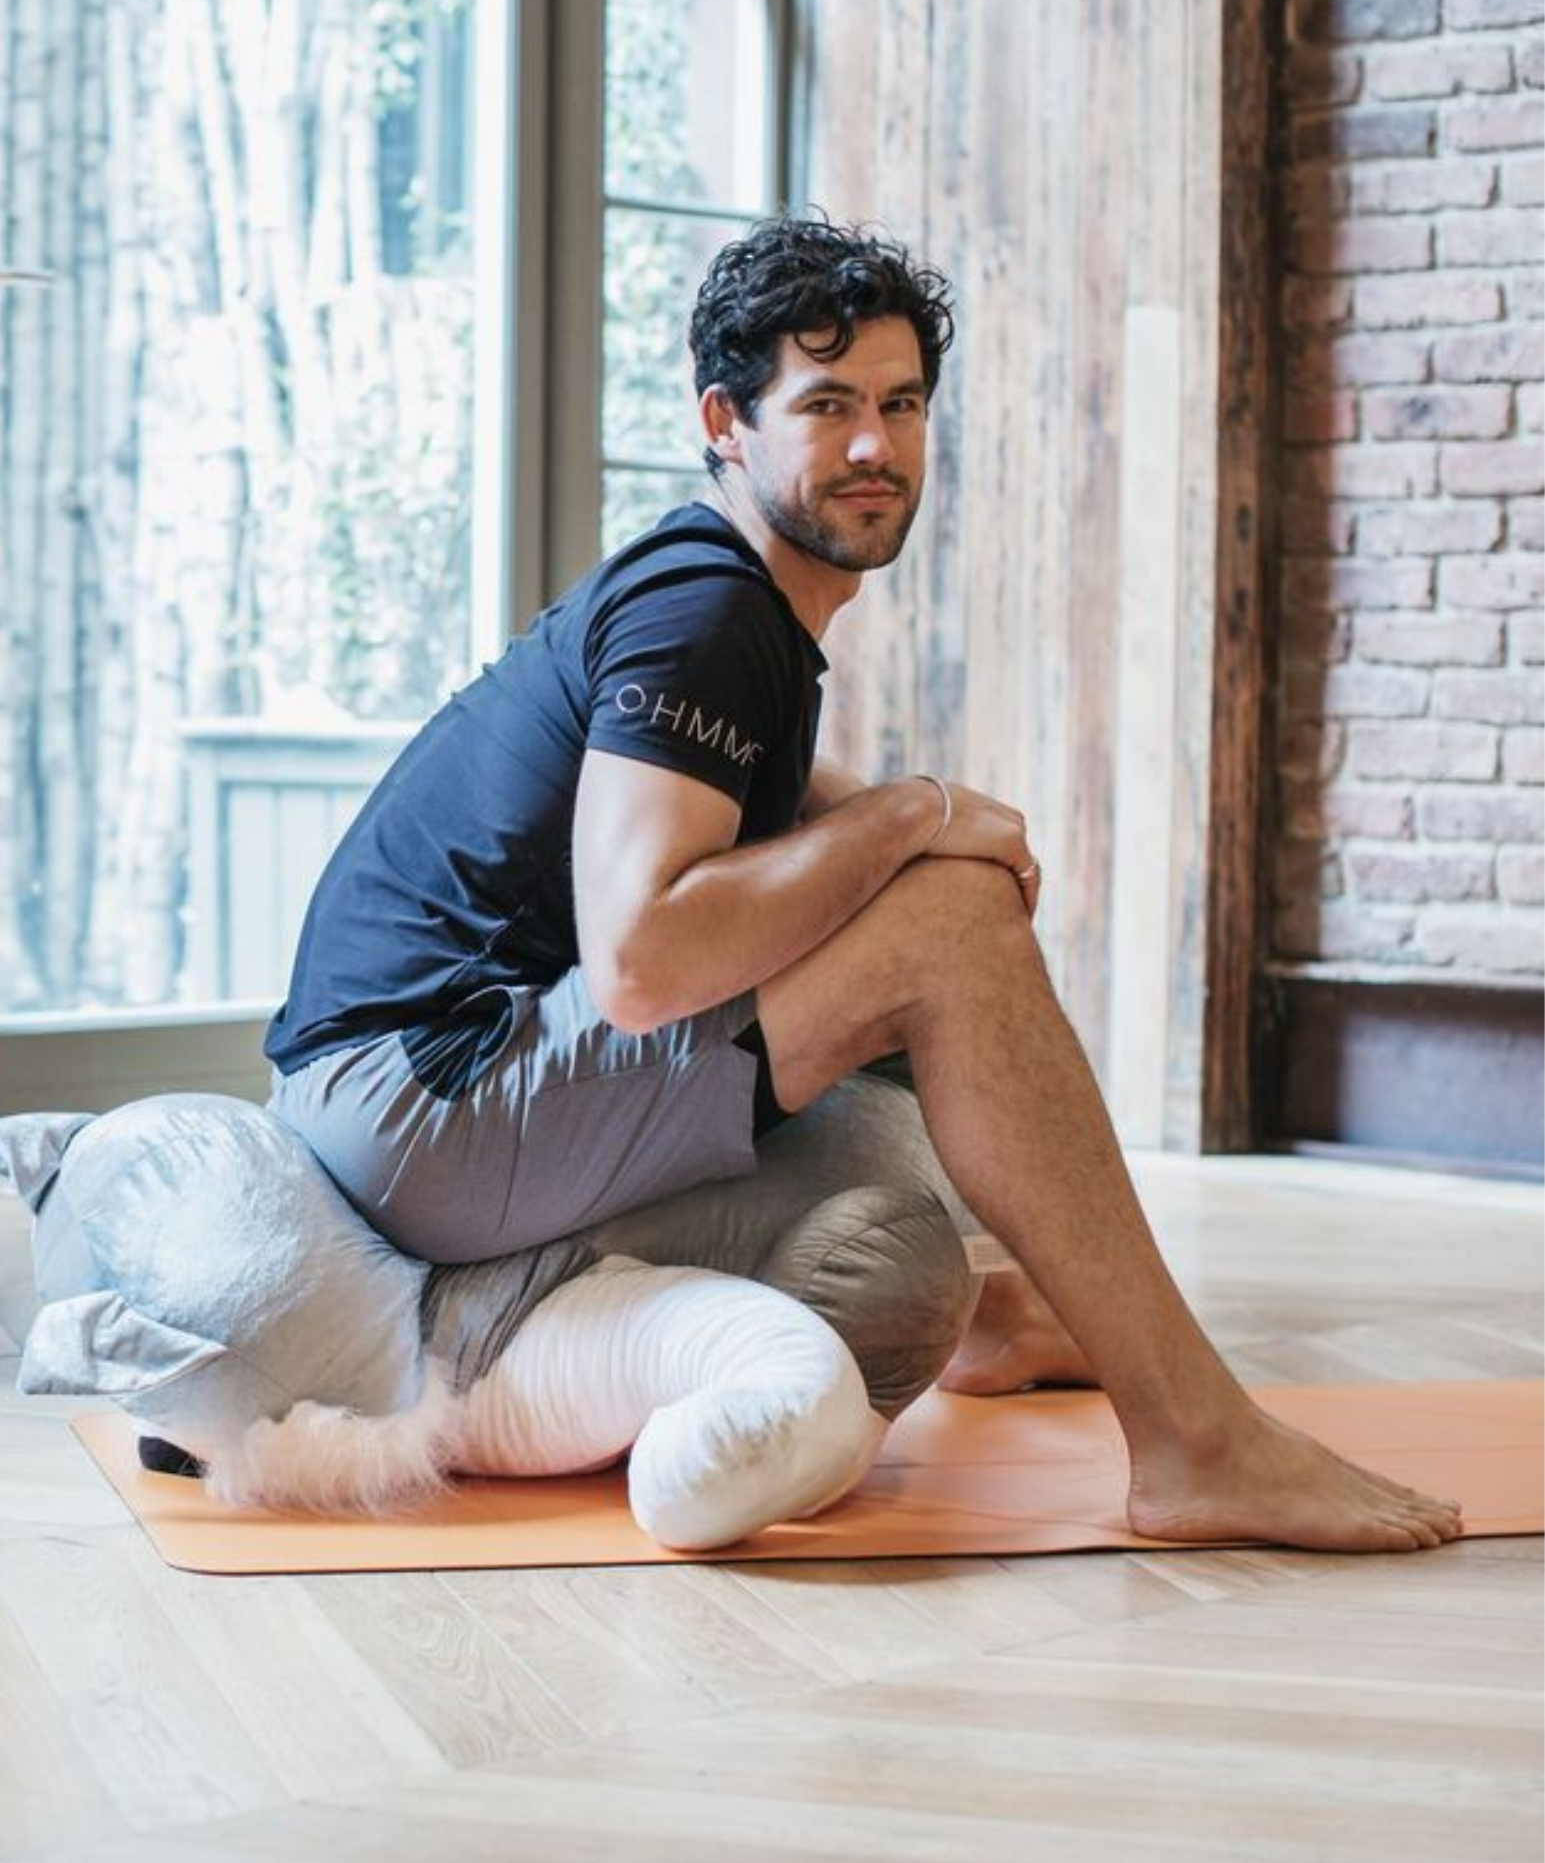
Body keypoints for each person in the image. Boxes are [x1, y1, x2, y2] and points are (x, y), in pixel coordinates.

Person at [267, 214, 1461, 1554]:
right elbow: (643, 959)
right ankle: (1196, 1440)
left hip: (439, 1093)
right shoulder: (705, 610)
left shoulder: (734, 612)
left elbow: (757, 830)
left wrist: (917, 833)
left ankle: (1016, 1316)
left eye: (900, 405)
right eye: (826, 406)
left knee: (934, 903)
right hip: (424, 1098)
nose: (874, 448)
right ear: (726, 419)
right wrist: (915, 814)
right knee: (941, 924)